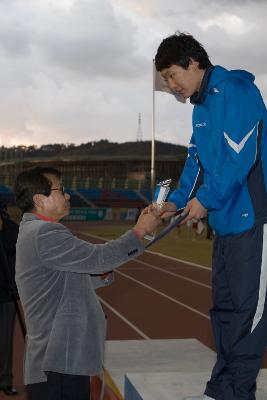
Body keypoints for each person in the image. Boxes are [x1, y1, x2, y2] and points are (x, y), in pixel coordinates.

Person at [155, 32, 267, 400]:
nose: (171, 85)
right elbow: (196, 161)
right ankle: (222, 388)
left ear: (193, 62)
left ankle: (236, 391)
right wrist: (176, 201)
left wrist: (205, 199)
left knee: (247, 316)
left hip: (254, 221)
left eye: (172, 75)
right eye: (165, 79)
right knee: (224, 311)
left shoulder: (235, 90)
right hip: (225, 224)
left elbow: (241, 157)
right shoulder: (200, 107)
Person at [14, 166, 161, 400]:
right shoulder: (44, 233)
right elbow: (98, 257)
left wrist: (98, 272)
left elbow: (61, 280)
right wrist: (140, 230)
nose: (68, 195)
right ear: (40, 200)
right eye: (61, 189)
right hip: (58, 364)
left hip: (61, 361)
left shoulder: (36, 231)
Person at [0, 205, 19, 396]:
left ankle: (4, 380)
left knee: (5, 340)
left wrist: (4, 227)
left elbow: (15, 246)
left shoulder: (10, 229)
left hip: (6, 293)